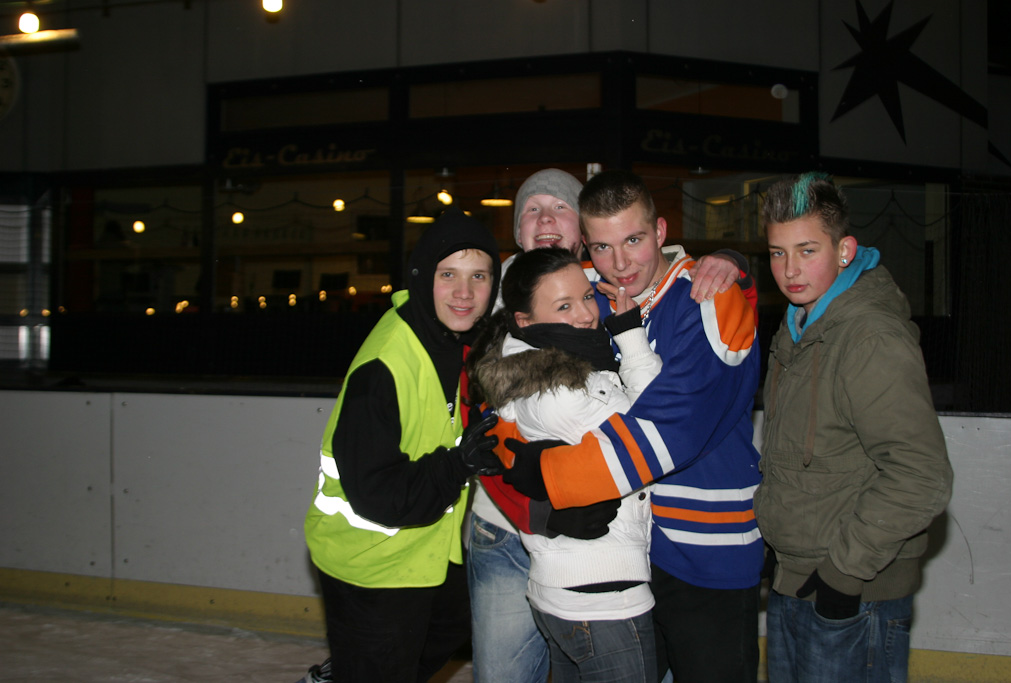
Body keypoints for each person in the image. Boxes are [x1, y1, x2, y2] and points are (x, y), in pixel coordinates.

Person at [466, 167, 753, 683]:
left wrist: (546, 476)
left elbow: (666, 433)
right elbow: (501, 390)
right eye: (603, 246)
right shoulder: (586, 294)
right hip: (625, 548)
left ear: (659, 232)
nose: (619, 262)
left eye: (633, 240)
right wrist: (517, 466)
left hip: (702, 546)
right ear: (586, 245)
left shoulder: (701, 296)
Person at [754, 172, 953, 683]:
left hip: (854, 592)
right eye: (777, 253)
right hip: (796, 580)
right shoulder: (798, 326)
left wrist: (843, 573)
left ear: (844, 250)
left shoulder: (869, 337)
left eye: (807, 250)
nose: (790, 270)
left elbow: (921, 475)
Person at [300, 208, 505, 683]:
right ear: (422, 277)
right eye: (448, 274)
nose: (464, 292)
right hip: (370, 564)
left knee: (455, 619)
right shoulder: (384, 369)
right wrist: (458, 464)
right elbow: (378, 494)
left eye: (478, 276)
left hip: (423, 547)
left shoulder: (453, 341)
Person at [469, 247, 662, 682]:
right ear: (524, 321)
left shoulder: (552, 367)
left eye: (587, 297)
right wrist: (631, 337)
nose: (586, 315)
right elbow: (656, 429)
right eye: (563, 306)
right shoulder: (561, 393)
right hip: (604, 595)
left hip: (566, 591)